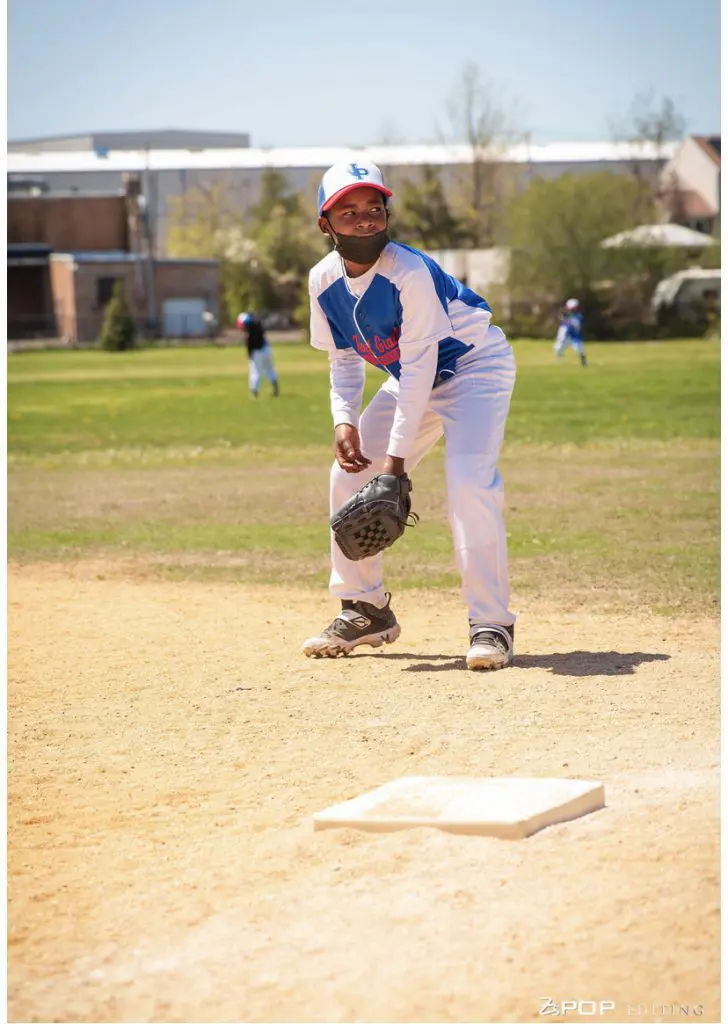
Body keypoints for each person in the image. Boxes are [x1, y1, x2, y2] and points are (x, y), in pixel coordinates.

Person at [302, 158, 517, 671]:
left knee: (469, 483)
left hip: (472, 368)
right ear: (325, 224)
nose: (364, 218)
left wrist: (394, 467)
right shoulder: (324, 280)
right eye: (348, 210)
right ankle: (365, 607)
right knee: (345, 477)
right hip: (411, 378)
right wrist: (343, 420)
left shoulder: (408, 271)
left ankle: (491, 622)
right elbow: (345, 357)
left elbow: (420, 367)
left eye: (374, 207)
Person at [236, 312, 280, 397]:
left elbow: (249, 342)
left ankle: (254, 392)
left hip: (257, 352)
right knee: (270, 369)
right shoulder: (258, 323)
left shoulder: (248, 329)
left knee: (255, 372)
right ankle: (275, 386)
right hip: (266, 349)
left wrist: (249, 354)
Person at [553, 298, 588, 367]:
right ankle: (560, 360)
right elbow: (563, 325)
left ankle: (583, 362)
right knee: (557, 348)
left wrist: (567, 319)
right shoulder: (565, 315)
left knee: (580, 349)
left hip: (575, 336)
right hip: (566, 337)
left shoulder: (578, 316)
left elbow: (575, 324)